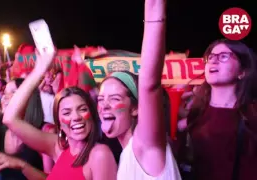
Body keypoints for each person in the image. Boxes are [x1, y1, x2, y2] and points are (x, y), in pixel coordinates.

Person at [0, 49, 117, 179]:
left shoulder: (99, 154)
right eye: (66, 112)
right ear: (58, 121)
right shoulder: (58, 147)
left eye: (82, 109)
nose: (75, 117)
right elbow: (9, 118)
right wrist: (40, 68)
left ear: (92, 114)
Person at [97, 0, 181, 179]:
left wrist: (154, 9)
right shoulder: (126, 153)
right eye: (100, 99)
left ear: (136, 108)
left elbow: (149, 84)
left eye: (114, 98)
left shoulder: (143, 145)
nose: (104, 105)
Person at [178, 39, 257, 180]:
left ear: (242, 72)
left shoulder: (252, 114)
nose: (214, 61)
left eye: (224, 56)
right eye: (211, 57)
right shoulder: (194, 114)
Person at [0, 52, 49, 179]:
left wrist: (21, 165)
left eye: (13, 92)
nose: (5, 97)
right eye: (4, 92)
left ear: (27, 97)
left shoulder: (44, 131)